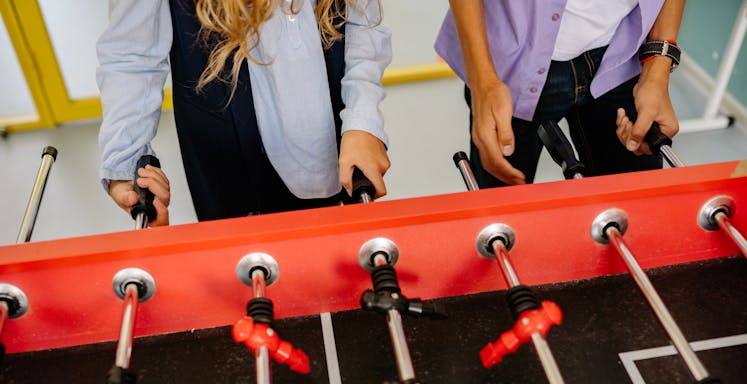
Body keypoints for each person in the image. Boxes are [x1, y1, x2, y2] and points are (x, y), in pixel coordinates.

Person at [97, 0, 391, 226]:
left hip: (330, 141)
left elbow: (362, 23)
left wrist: (362, 120)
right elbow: (132, 57)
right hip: (229, 149)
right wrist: (125, 161)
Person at [435, 0, 685, 187]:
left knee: (635, 209)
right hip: (510, 59)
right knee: (500, 218)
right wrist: (483, 83)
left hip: (623, 51)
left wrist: (658, 64)